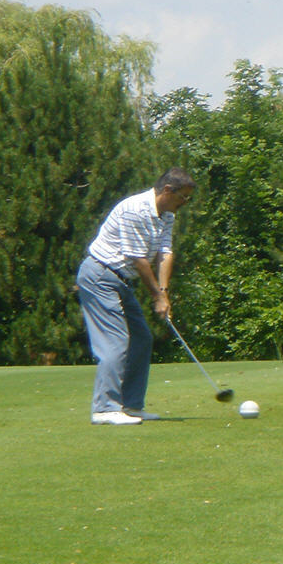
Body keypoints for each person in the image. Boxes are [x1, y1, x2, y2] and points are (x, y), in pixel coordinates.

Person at [77, 170, 195, 425]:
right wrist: (156, 298)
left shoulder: (167, 216)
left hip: (120, 280)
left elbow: (165, 252)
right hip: (99, 274)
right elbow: (139, 260)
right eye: (183, 197)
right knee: (116, 341)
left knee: (141, 337)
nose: (185, 203)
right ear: (167, 191)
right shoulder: (134, 209)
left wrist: (164, 292)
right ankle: (104, 408)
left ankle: (130, 405)